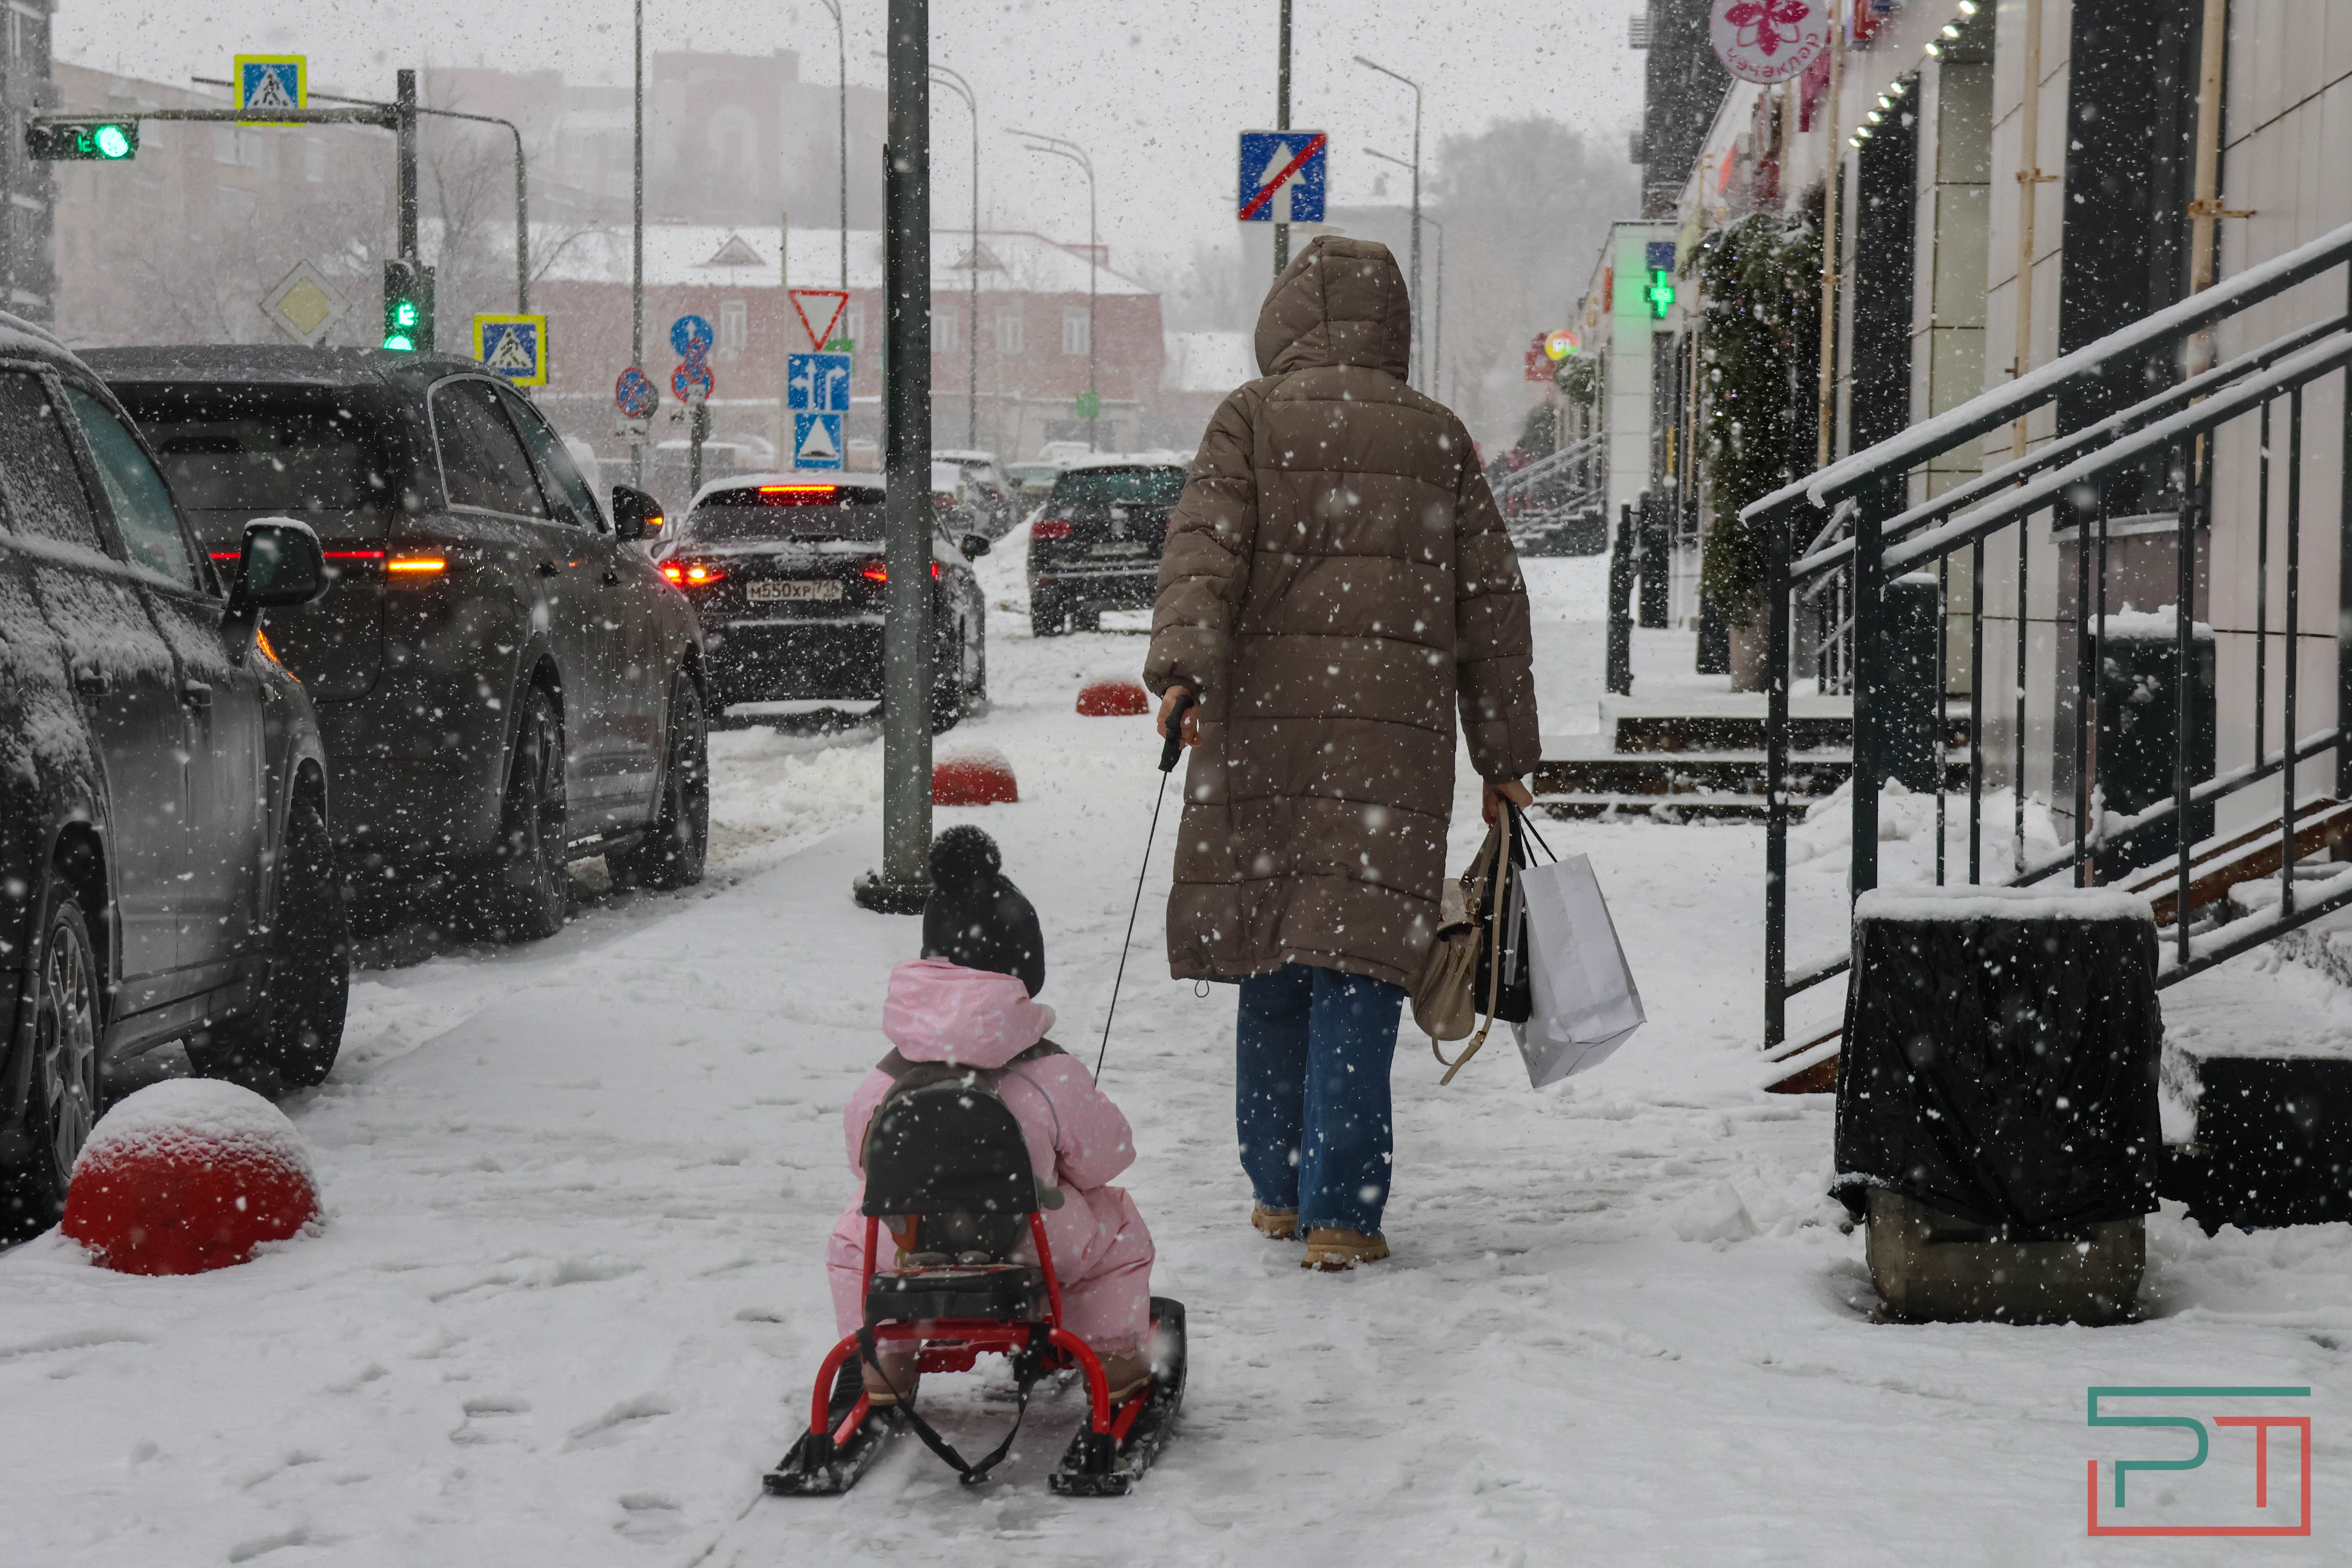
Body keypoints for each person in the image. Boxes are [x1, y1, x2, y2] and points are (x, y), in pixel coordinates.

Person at [1144, 236, 1541, 1272]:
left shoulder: (1250, 416)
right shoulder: (1439, 437)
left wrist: (1183, 671)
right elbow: (1491, 608)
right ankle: (1342, 1210)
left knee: (1273, 954)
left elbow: (1203, 554)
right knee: (1359, 968)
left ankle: (1276, 1189)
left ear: (1287, 320)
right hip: (1392, 757)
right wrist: (1504, 754)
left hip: (1262, 743)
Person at [824, 827, 1156, 1403]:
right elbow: (1109, 1158)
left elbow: (864, 1158)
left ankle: (886, 1363)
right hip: (1032, 1246)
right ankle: (1114, 1356)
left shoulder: (890, 1074)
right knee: (1117, 1224)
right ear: (1024, 971)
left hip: (906, 1248)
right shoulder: (1048, 1072)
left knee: (854, 1235)